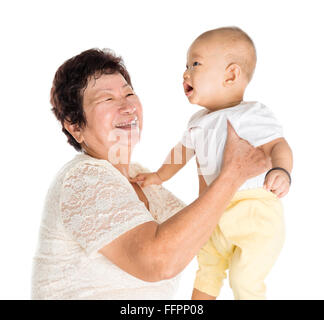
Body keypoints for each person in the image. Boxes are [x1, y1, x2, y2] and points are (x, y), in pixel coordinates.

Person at [31, 48, 269, 300]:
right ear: (74, 125)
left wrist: (214, 146)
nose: (127, 106)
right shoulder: (82, 179)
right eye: (107, 99)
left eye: (129, 93)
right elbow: (160, 262)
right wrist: (232, 174)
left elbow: (203, 232)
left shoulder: (142, 179)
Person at [132, 27, 293, 300]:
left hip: (254, 212)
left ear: (230, 74)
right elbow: (181, 153)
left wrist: (282, 170)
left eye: (195, 64)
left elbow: (278, 145)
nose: (185, 72)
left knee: (244, 279)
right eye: (185, 65)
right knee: (207, 269)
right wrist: (159, 175)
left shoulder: (251, 113)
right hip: (212, 212)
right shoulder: (196, 123)